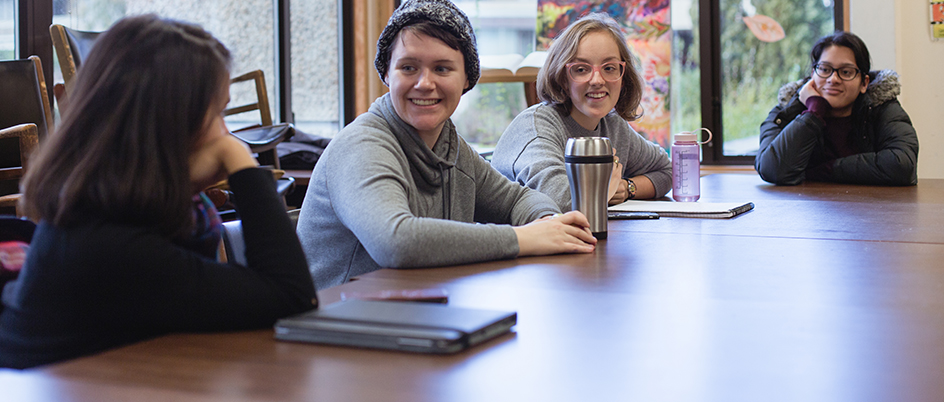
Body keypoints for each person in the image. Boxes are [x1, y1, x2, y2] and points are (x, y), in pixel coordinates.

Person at [0, 15, 316, 369]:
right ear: (168, 125)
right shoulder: (109, 245)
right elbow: (291, 294)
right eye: (217, 114)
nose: (225, 133)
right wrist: (239, 160)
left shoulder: (120, 212)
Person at [296, 0, 597, 290]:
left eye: (442, 69)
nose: (425, 83)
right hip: (338, 326)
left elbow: (517, 200)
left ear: (467, 78)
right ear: (386, 73)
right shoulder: (362, 145)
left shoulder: (450, 145)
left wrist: (549, 224)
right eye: (408, 68)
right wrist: (524, 239)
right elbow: (397, 242)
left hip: (413, 316)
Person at [490, 13, 672, 212]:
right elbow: (561, 200)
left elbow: (668, 171)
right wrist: (605, 189)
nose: (597, 80)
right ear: (562, 77)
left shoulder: (613, 125)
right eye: (581, 69)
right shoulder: (536, 128)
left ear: (623, 76)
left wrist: (627, 188)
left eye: (609, 68)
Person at [754, 31, 918, 186]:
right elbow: (771, 170)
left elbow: (902, 165)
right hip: (805, 211)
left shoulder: (881, 108)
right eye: (825, 69)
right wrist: (813, 112)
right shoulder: (786, 111)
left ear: (864, 83)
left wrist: (824, 171)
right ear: (813, 75)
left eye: (846, 72)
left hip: (872, 211)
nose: (833, 79)